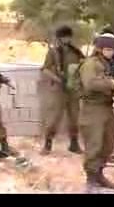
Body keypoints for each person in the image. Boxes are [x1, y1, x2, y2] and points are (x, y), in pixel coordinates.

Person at [79, 33, 114, 189]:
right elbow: (90, 84)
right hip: (92, 109)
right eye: (108, 49)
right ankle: (91, 179)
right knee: (94, 144)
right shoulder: (91, 64)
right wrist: (110, 83)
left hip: (106, 107)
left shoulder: (107, 63)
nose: (111, 52)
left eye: (113, 49)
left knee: (107, 145)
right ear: (99, 49)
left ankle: (99, 174)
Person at [40, 25, 85, 155]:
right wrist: (58, 79)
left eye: (68, 37)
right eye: (64, 37)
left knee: (74, 118)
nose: (66, 39)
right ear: (59, 38)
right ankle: (47, 144)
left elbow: (83, 65)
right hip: (59, 89)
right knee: (54, 118)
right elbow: (45, 69)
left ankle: (74, 144)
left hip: (73, 89)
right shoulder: (53, 52)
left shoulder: (75, 51)